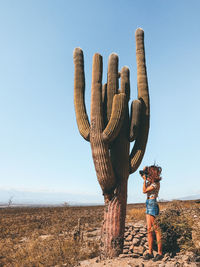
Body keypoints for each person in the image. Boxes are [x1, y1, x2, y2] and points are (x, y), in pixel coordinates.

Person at [140, 165, 163, 261]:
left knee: (156, 229)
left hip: (153, 204)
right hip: (148, 203)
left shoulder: (155, 184)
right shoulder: (151, 182)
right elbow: (141, 172)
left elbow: (144, 191)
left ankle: (160, 253)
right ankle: (150, 252)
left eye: (150, 172)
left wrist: (144, 180)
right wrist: (145, 170)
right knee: (149, 229)